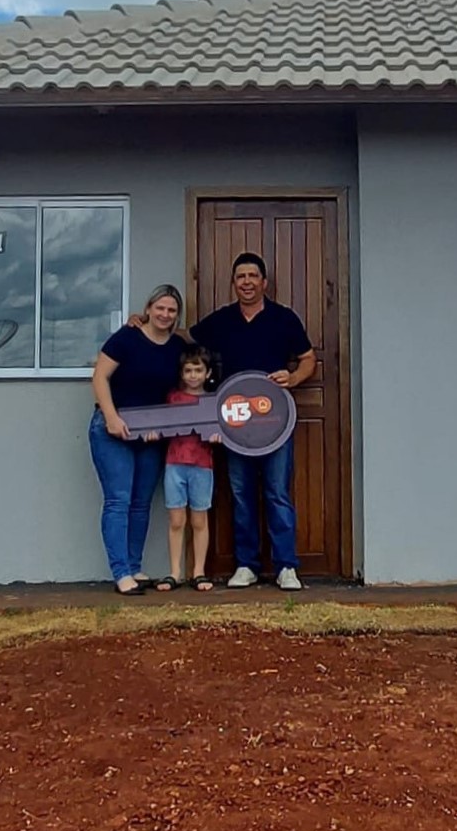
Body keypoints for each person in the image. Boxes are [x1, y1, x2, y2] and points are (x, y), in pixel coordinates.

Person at [191, 252, 315, 590]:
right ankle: (246, 565)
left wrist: (294, 377)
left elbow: (308, 359)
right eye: (240, 277)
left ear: (264, 282)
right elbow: (186, 340)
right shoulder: (222, 320)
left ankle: (286, 566)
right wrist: (143, 323)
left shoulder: (283, 318)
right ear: (234, 284)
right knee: (241, 494)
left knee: (277, 493)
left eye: (252, 276)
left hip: (276, 420)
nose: (246, 282)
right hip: (234, 423)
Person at [89, 284, 186, 594]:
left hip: (151, 435)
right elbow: (100, 376)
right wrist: (111, 417)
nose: (165, 314)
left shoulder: (177, 347)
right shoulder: (127, 338)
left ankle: (134, 566)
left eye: (171, 310)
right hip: (113, 431)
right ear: (148, 309)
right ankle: (121, 573)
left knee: (141, 503)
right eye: (160, 308)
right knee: (118, 500)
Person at [155, 346, 219, 592]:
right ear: (182, 373)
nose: (193, 375)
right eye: (188, 370)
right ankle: (174, 572)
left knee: (199, 520)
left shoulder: (213, 401)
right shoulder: (172, 398)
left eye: (198, 370)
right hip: (174, 464)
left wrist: (218, 436)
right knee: (176, 520)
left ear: (207, 373)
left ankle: (198, 572)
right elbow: (159, 423)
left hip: (202, 466)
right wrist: (153, 432)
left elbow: (223, 429)